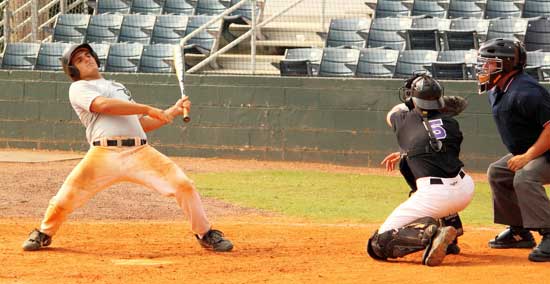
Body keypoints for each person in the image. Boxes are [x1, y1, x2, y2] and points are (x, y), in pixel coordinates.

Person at [21, 43, 233, 252]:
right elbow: (103, 106)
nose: (86, 58)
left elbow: (140, 124)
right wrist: (148, 108)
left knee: (183, 185)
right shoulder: (79, 88)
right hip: (103, 153)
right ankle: (44, 232)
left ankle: (205, 233)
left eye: (87, 54)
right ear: (73, 70)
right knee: (66, 197)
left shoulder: (118, 87)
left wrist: (173, 111)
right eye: (79, 59)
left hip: (140, 151)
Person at [367, 74, 474, 266]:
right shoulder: (451, 123)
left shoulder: (404, 119)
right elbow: (433, 145)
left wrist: (411, 103)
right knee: (412, 162)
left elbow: (393, 112)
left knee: (377, 244)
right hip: (465, 188)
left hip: (436, 196)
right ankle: (452, 228)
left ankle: (430, 235)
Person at [477, 38, 550, 262]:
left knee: (525, 176)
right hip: (535, 151)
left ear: (507, 64)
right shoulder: (496, 89)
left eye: (489, 63)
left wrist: (527, 156)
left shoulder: (527, 92)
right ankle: (519, 232)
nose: (484, 68)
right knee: (498, 172)